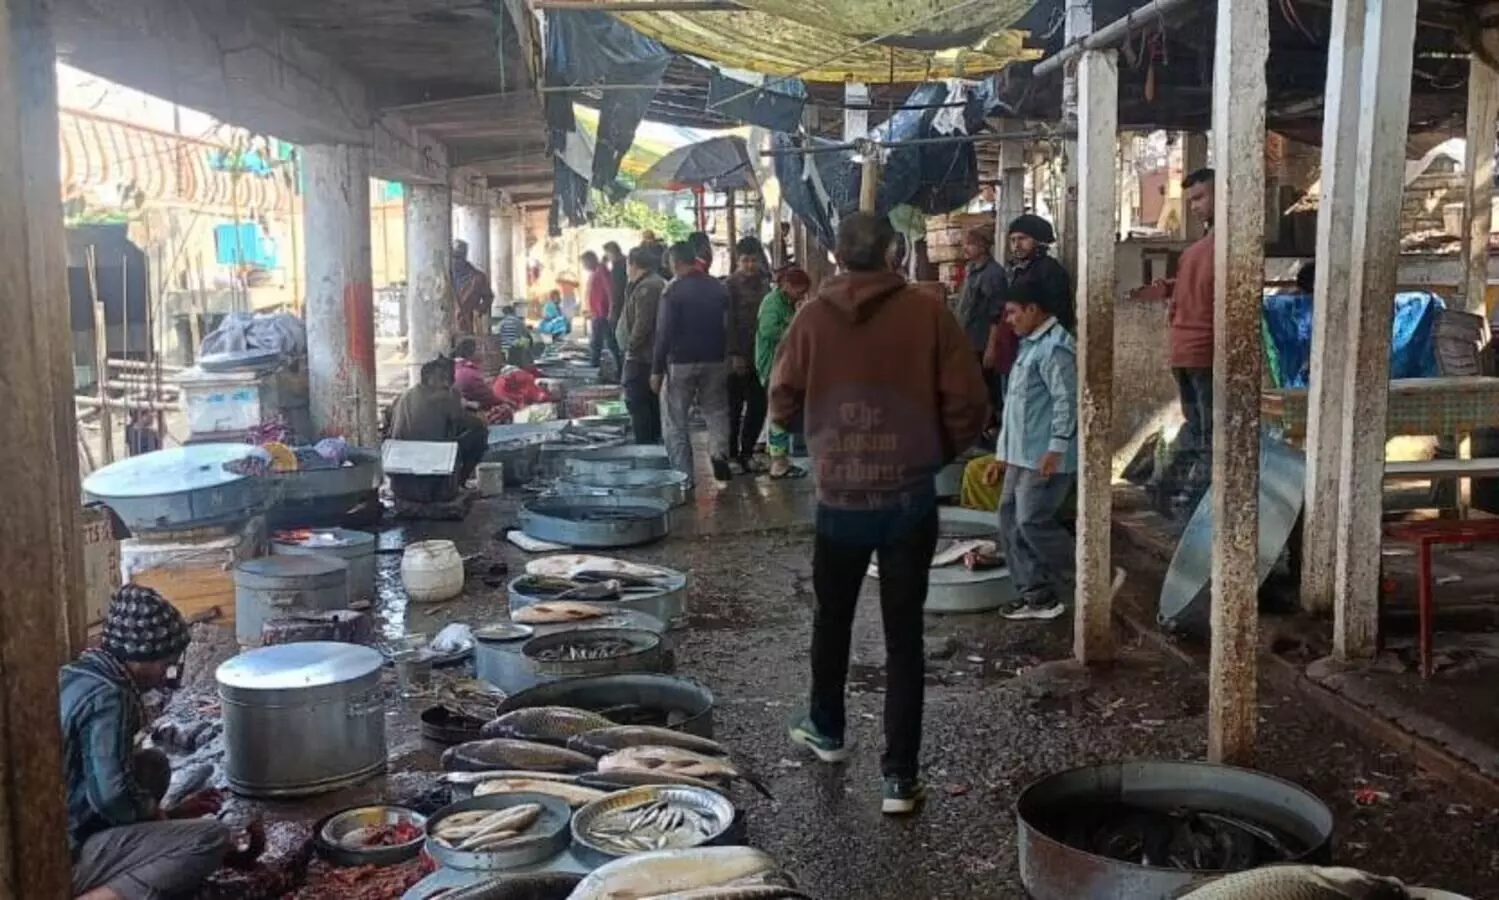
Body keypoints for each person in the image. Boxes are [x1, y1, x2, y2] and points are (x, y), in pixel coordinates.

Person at [769, 211, 989, 815]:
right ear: (894, 252)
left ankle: (827, 728)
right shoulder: (928, 313)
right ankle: (900, 778)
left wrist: (822, 438)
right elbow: (969, 401)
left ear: (837, 256)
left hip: (840, 497)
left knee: (832, 618)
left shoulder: (811, 317)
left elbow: (781, 400)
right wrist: (931, 452)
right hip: (908, 497)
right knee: (903, 636)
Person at [65, 584, 230, 900]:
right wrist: (162, 820)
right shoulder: (110, 697)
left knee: (152, 765)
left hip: (64, 816)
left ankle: (137, 845)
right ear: (141, 657)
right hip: (57, 853)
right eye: (164, 665)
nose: (164, 676)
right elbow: (111, 797)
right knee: (210, 838)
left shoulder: (79, 671)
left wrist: (172, 816)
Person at [992, 279, 1079, 621]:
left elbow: (1067, 403)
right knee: (1009, 519)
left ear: (1033, 309)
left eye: (1013, 312)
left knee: (1031, 520)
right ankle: (1037, 596)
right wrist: (1002, 456)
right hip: (1021, 454)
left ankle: (1090, 573)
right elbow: (1015, 409)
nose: (1009, 320)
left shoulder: (1056, 348)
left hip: (1044, 457)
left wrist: (1056, 449)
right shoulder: (1030, 346)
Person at [1131, 168, 1215, 511]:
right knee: (1212, 435)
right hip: (1206, 353)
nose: (1194, 207)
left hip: (1184, 352)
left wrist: (1163, 289)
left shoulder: (1196, 252)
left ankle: (1163, 488)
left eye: (1200, 198)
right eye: (1191, 200)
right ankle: (1192, 503)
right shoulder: (1219, 249)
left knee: (1197, 428)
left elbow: (1183, 295)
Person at [653, 241, 734, 485]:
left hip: (680, 363)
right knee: (716, 410)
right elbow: (729, 324)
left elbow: (663, 333)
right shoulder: (718, 287)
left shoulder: (672, 290)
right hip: (715, 359)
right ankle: (719, 453)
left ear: (675, 262)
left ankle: (684, 477)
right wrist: (730, 354)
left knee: (676, 421)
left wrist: (656, 369)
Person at [388, 356, 488, 502]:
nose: (446, 383)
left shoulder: (405, 396)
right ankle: (458, 483)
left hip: (400, 482)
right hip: (432, 483)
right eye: (442, 378)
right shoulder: (446, 396)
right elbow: (471, 424)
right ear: (430, 379)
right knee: (480, 433)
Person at [756, 265, 811, 478]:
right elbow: (768, 330)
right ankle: (778, 463)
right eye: (800, 290)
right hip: (772, 363)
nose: (802, 295)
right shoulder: (773, 303)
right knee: (778, 413)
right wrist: (794, 329)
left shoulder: (788, 303)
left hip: (783, 364)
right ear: (787, 285)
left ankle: (779, 457)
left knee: (780, 412)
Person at [725, 236, 773, 473]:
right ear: (737, 260)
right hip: (736, 357)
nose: (750, 265)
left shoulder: (765, 282)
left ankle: (748, 452)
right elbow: (727, 323)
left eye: (753, 260)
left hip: (760, 356)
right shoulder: (729, 286)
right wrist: (734, 354)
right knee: (733, 408)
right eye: (745, 260)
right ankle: (732, 455)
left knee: (758, 406)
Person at [955, 226, 1013, 421]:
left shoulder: (993, 274)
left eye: (970, 244)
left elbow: (996, 314)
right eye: (965, 244)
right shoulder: (971, 270)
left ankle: (992, 424)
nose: (965, 248)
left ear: (983, 247)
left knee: (987, 389)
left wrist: (991, 346)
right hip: (969, 339)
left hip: (982, 341)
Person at [618, 246, 666, 444]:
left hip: (642, 356)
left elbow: (642, 323)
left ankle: (646, 445)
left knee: (638, 401)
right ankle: (651, 442)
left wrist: (630, 346)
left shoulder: (649, 287)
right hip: (645, 355)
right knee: (648, 402)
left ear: (634, 264)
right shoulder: (648, 283)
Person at [1005, 214, 1074, 332]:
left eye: (1022, 238)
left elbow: (1060, 314)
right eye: (1013, 240)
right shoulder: (1019, 270)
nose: (1016, 245)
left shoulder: (1049, 270)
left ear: (1039, 241)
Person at [451, 239, 495, 336]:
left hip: (468, 325)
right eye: (454, 257)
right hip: (447, 327)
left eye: (459, 257)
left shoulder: (478, 277)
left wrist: (478, 310)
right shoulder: (445, 277)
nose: (456, 261)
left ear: (464, 256)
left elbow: (488, 297)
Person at [582, 251, 617, 373]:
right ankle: (596, 364)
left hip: (602, 312)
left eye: (584, 263)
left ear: (590, 260)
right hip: (597, 312)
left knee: (602, 341)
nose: (584, 266)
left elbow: (609, 290)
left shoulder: (601, 270)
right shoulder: (596, 271)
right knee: (604, 340)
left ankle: (595, 365)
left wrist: (611, 308)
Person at [452, 337, 500, 411]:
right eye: (479, 349)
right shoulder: (469, 373)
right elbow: (490, 398)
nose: (484, 352)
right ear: (470, 353)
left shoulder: (456, 366)